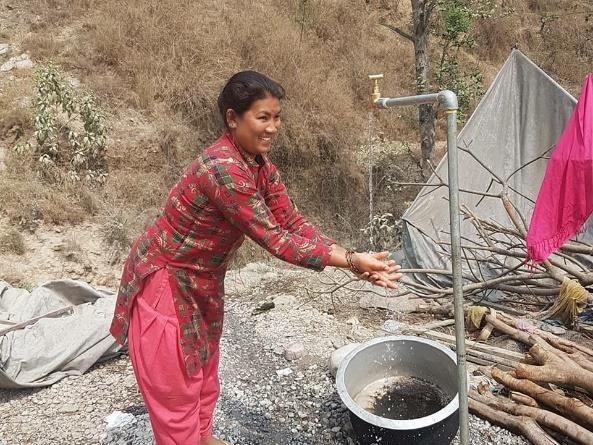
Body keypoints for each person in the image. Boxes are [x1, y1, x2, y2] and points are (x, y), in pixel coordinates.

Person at [110, 71, 402, 445]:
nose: (273, 127)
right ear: (233, 118)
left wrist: (354, 258)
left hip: (203, 280)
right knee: (176, 386)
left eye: (277, 117)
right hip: (166, 282)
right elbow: (277, 240)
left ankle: (202, 438)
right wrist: (352, 262)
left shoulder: (259, 166)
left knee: (203, 369)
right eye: (263, 117)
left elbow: (291, 222)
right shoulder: (223, 170)